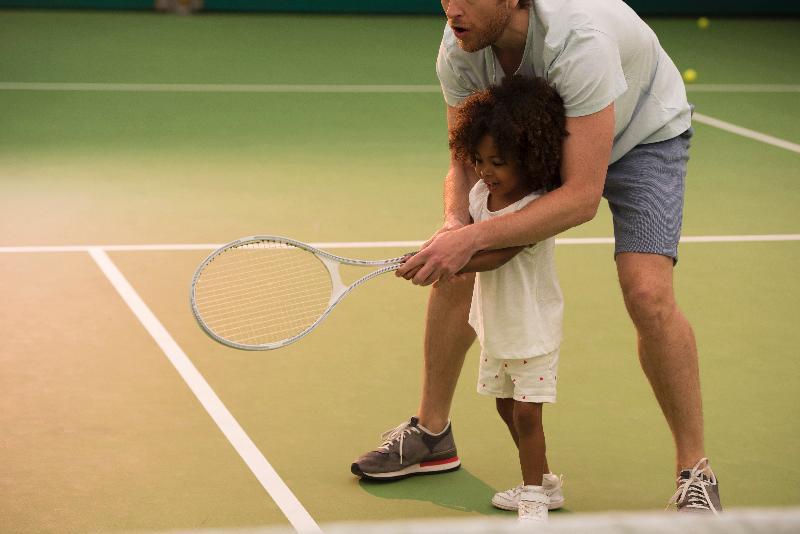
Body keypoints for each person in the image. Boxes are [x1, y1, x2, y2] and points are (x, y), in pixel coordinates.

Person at [353, 0, 722, 514]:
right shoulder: (462, 46)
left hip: (642, 136)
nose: (451, 10)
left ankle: (695, 470)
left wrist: (472, 239)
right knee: (455, 258)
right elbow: (462, 157)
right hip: (535, 140)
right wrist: (455, 224)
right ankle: (432, 435)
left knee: (647, 292)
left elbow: (580, 197)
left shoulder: (578, 43)